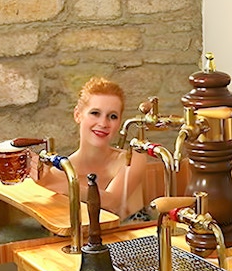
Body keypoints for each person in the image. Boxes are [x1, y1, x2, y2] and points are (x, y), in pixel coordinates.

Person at [32, 76, 153, 220]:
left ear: (120, 122)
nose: (103, 123)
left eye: (112, 116)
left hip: (137, 240)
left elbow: (112, 202)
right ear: (78, 115)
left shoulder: (133, 158)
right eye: (95, 113)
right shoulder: (59, 173)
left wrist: (57, 184)